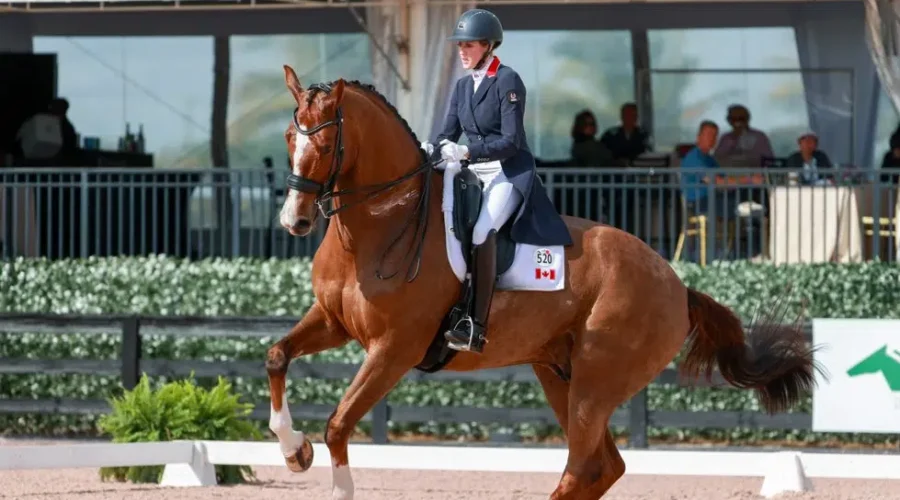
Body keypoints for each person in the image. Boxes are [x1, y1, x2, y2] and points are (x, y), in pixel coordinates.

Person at [420, 8, 573, 354]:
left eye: (468, 45)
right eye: (459, 45)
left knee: (480, 231)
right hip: (471, 173)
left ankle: (475, 324)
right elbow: (447, 133)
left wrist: (467, 152)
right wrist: (434, 147)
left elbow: (511, 140)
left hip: (506, 171)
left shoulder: (508, 80)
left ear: (488, 46)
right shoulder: (461, 87)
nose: (462, 51)